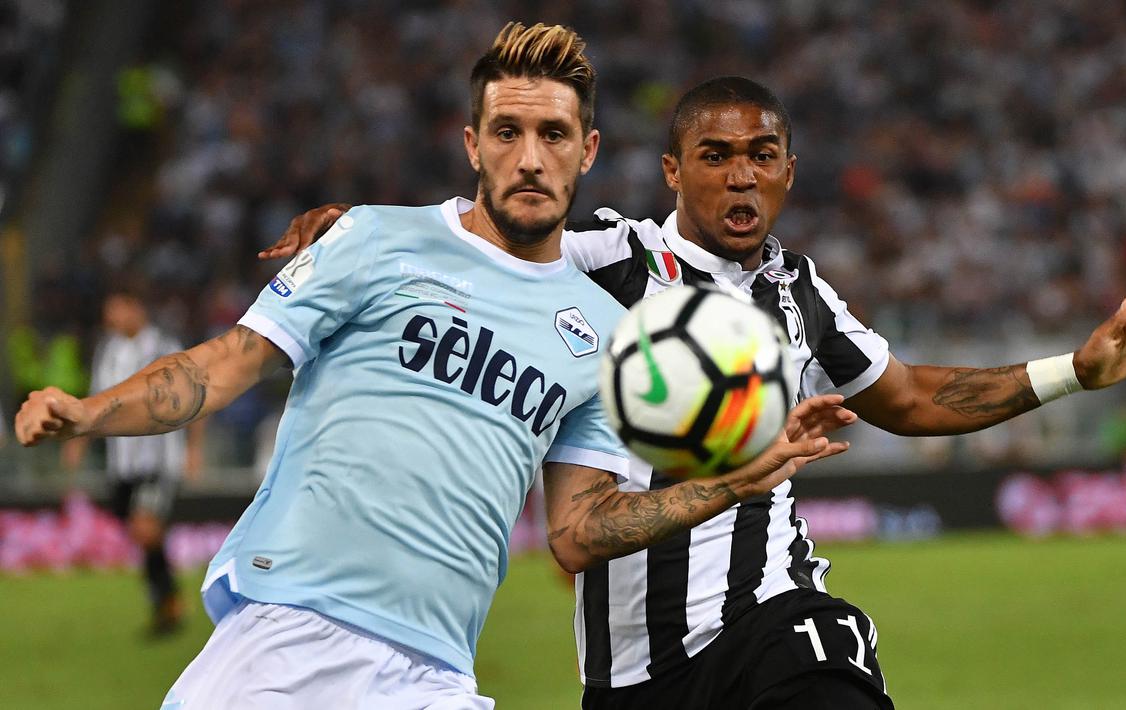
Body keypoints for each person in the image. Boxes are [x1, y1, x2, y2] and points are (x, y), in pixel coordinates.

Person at [273, 76, 1126, 709]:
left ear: (788, 169)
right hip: (630, 671)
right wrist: (358, 229)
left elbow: (910, 397)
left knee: (831, 660)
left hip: (769, 615)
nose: (740, 173)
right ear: (672, 171)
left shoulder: (800, 293)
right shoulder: (604, 257)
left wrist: (1072, 371)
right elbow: (482, 236)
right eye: (714, 155)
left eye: (761, 154)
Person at [14, 30, 849, 709]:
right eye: (507, 132)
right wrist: (91, 412)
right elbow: (224, 366)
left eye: (553, 135)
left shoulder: (604, 336)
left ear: (587, 150)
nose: (530, 158)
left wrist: (731, 484)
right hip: (291, 633)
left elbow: (578, 531)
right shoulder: (376, 239)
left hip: (437, 673)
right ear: (472, 144)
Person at [61, 287, 205, 635]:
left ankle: (167, 602)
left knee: (145, 526)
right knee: (139, 532)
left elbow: (196, 393)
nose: (111, 318)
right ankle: (165, 599)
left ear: (135, 308)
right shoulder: (109, 350)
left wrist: (193, 447)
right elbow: (97, 400)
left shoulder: (164, 346)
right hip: (122, 463)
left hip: (159, 460)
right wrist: (79, 442)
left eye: (117, 310)